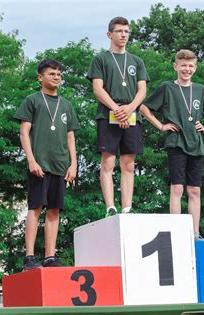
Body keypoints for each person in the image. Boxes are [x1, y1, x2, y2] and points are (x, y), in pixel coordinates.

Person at [140, 50, 204, 240]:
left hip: (196, 143)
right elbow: (144, 108)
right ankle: (175, 232)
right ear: (176, 66)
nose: (187, 69)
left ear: (195, 68)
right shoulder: (167, 87)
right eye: (183, 65)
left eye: (190, 65)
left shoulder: (200, 89)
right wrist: (161, 125)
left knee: (194, 190)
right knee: (177, 188)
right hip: (176, 142)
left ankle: (195, 233)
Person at [15, 60, 80, 270]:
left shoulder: (66, 105)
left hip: (60, 165)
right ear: (40, 77)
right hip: (39, 165)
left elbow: (71, 138)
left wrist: (74, 164)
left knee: (54, 211)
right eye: (52, 73)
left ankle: (50, 257)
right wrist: (31, 160)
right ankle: (30, 258)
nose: (57, 77)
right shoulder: (32, 100)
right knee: (35, 208)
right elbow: (24, 132)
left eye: (59, 74)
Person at [87, 16, 149, 216]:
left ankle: (127, 208)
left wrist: (129, 109)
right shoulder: (101, 59)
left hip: (132, 116)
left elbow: (142, 91)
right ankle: (110, 208)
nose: (124, 35)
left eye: (126, 32)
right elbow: (98, 89)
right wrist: (116, 109)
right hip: (108, 115)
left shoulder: (136, 61)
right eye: (119, 31)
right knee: (108, 162)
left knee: (128, 163)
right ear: (109, 34)